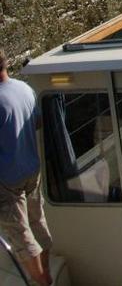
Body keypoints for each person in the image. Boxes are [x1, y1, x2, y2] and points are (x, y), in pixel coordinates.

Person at [0, 49, 53, 286]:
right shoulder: (24, 89)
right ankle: (47, 275)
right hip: (32, 170)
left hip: (7, 180)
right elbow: (38, 122)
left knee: (22, 236)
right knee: (37, 221)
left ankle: (41, 282)